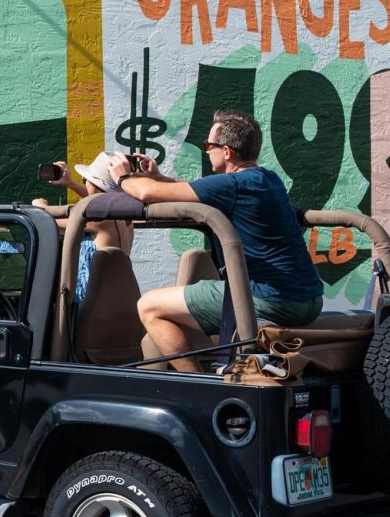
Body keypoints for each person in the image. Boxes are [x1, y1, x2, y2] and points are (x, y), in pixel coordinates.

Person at [110, 110, 324, 372]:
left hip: (274, 301)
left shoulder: (232, 185)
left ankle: (198, 384)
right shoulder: (267, 179)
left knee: (149, 306)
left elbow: (145, 193)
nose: (206, 151)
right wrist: (160, 178)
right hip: (310, 299)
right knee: (213, 298)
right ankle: (222, 370)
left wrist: (122, 178)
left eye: (208, 146)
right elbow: (192, 191)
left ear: (226, 152)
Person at [32, 155, 134, 304]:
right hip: (113, 299)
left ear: (94, 185)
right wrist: (71, 184)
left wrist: (39, 205)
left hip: (90, 304)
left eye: (85, 180)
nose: (84, 184)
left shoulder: (98, 220)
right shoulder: (123, 217)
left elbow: (50, 222)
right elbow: (98, 201)